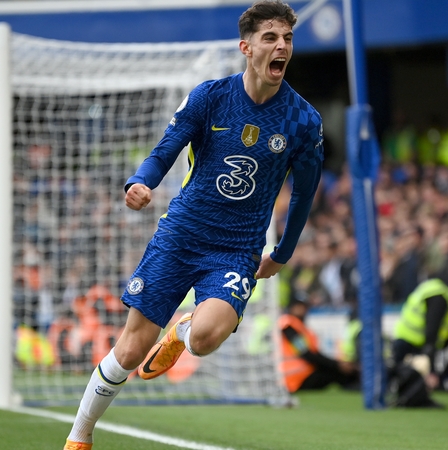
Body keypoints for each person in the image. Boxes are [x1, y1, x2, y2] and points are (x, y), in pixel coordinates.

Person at [64, 2, 324, 448]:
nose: (281, 47)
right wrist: (140, 183)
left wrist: (281, 252)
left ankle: (183, 331)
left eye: (287, 38)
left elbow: (303, 194)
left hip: (236, 249)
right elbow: (165, 149)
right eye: (270, 38)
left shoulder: (303, 121)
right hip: (181, 235)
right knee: (128, 350)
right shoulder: (211, 96)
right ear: (246, 47)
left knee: (203, 340)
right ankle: (79, 435)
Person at [391, 277, 448, 391]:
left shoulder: (429, 287)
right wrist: (431, 370)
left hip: (403, 338)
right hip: (417, 346)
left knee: (399, 378)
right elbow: (431, 333)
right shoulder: (441, 296)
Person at [279, 299, 358, 393]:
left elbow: (313, 354)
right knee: (337, 373)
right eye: (298, 307)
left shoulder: (300, 327)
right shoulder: (289, 327)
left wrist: (337, 363)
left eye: (303, 307)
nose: (302, 310)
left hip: (301, 374)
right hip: (295, 377)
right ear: (292, 308)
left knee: (338, 371)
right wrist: (337, 364)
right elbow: (306, 354)